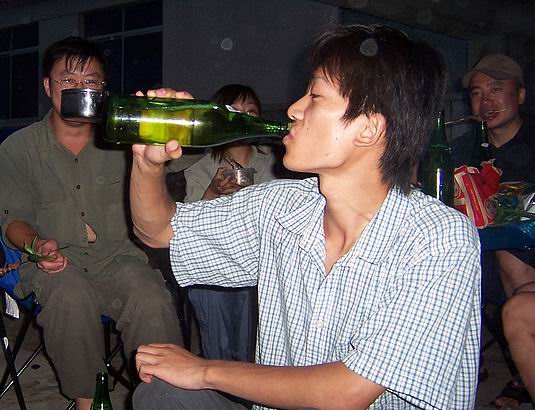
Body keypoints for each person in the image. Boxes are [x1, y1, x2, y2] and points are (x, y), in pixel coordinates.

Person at [130, 25, 481, 409]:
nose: (293, 109)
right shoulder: (281, 207)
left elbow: (348, 393)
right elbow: (159, 231)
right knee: (162, 392)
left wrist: (204, 370)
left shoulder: (438, 238)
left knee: (182, 382)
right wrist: (147, 163)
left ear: (368, 129)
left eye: (314, 95)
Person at [0, 36, 182, 410]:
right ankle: (90, 402)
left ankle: (166, 397)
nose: (78, 87)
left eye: (90, 81)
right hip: (55, 265)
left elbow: (185, 153)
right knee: (69, 295)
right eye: (67, 79)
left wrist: (171, 116)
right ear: (48, 85)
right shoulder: (18, 148)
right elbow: (12, 219)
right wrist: (37, 246)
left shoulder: (124, 137)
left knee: (151, 298)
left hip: (119, 260)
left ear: (102, 90)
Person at [452, 54, 535, 408]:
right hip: (479, 258)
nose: (485, 101)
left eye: (496, 89)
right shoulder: (461, 150)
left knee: (507, 249)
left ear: (520, 95)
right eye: (477, 93)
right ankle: (462, 359)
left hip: (523, 254)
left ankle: (520, 367)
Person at [184, 84, 282, 366]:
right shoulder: (200, 165)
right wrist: (213, 191)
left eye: (251, 111)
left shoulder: (274, 162)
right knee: (218, 329)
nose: (243, 117)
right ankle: (219, 374)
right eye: (234, 111)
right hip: (214, 260)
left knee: (257, 340)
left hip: (261, 260)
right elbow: (189, 227)